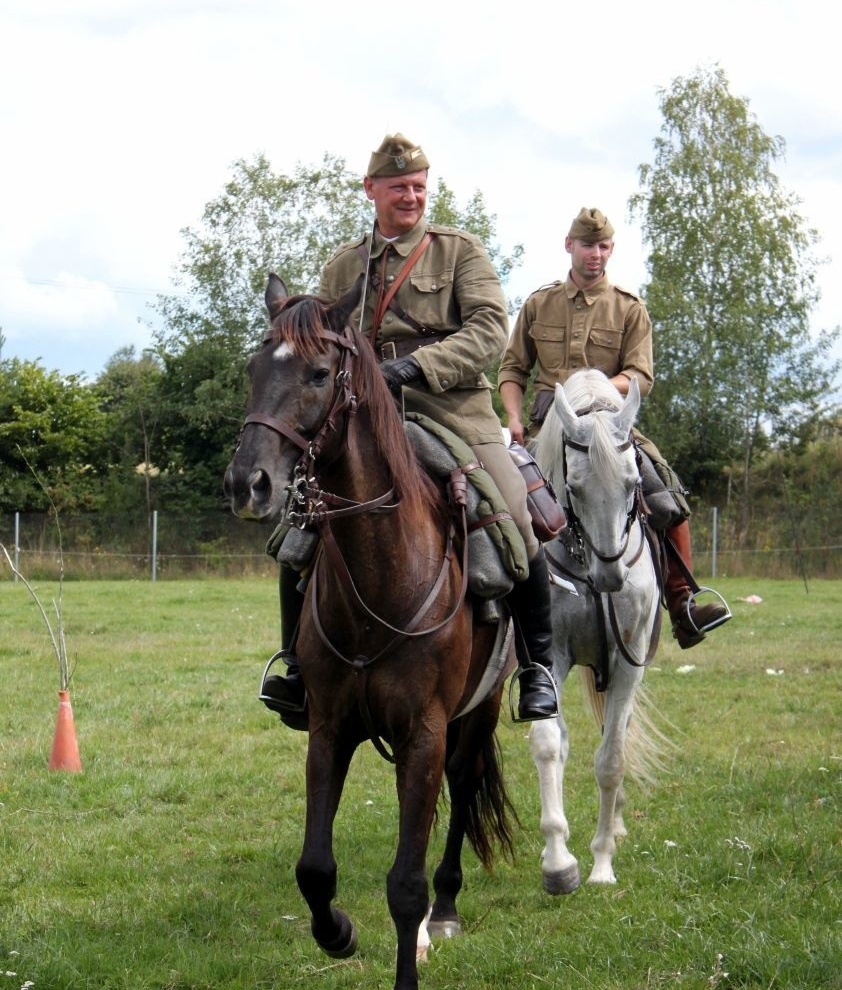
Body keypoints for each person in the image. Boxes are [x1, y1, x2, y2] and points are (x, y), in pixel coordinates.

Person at [261, 132, 558, 723]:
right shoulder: (345, 265)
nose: (411, 196)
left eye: (419, 187)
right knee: (299, 530)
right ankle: (295, 667)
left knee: (519, 523)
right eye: (399, 187)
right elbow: (317, 340)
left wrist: (415, 365)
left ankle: (537, 669)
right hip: (370, 419)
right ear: (371, 190)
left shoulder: (459, 252)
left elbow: (488, 332)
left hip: (454, 412)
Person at [498, 206, 729, 649]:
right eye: (588, 245)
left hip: (610, 425)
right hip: (548, 426)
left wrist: (597, 388)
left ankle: (682, 603)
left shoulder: (628, 307)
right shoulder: (537, 303)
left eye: (604, 246)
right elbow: (512, 369)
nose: (596, 254)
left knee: (663, 484)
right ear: (570, 246)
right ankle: (490, 605)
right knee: (491, 495)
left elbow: (641, 376)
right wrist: (512, 420)